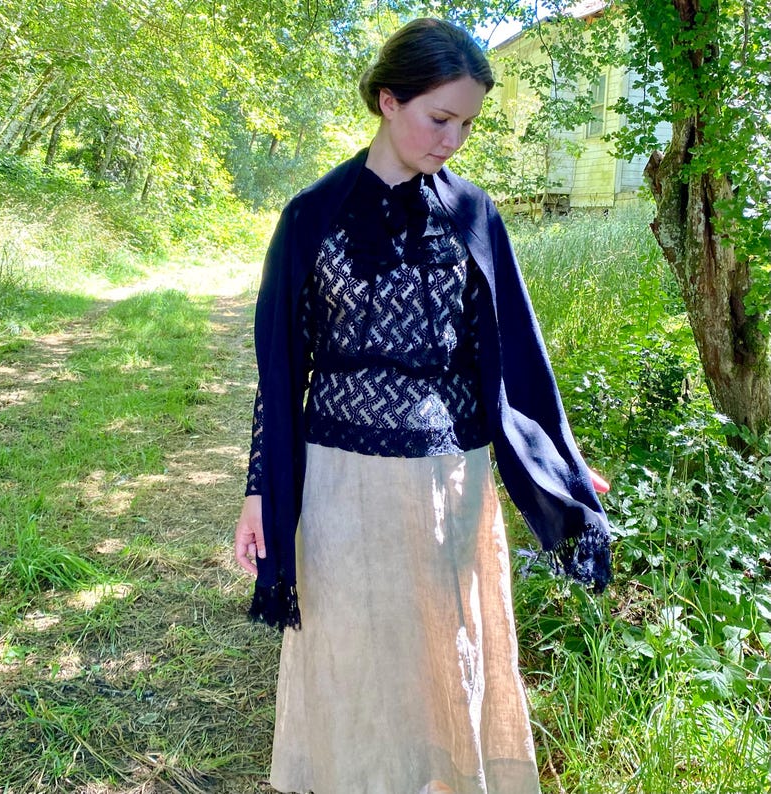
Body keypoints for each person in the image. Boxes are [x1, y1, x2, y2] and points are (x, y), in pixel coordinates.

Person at [234, 17, 611, 794]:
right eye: (440, 118)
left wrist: (558, 462)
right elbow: (281, 371)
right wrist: (255, 491)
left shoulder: (475, 214)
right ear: (387, 99)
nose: (453, 139)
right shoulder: (313, 218)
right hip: (341, 480)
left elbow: (515, 358)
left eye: (467, 124)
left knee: (448, 648)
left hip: (450, 478)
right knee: (353, 650)